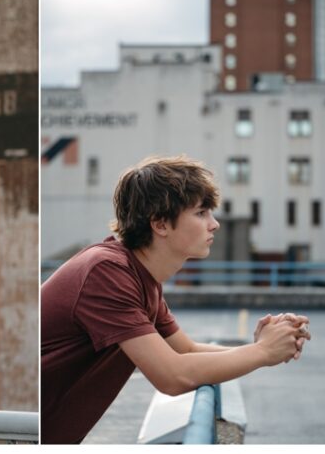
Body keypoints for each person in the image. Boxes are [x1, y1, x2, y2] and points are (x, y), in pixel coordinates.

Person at [40, 155, 310, 444]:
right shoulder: (106, 273)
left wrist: (261, 346)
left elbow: (186, 351)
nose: (214, 224)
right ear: (160, 223)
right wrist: (264, 352)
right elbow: (172, 376)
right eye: (201, 213)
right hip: (14, 432)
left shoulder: (141, 278)